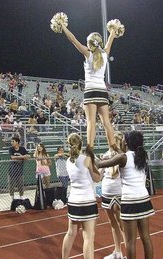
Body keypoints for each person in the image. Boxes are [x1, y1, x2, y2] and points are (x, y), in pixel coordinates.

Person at [61, 22, 120, 158]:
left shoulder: (88, 54)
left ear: (90, 44)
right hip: (102, 90)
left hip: (90, 90)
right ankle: (113, 147)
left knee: (91, 122)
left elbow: (73, 40)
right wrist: (114, 29)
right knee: (106, 121)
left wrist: (63, 26)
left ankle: (90, 149)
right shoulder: (105, 54)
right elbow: (111, 37)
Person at [97, 131, 154, 259]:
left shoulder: (123, 157)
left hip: (130, 201)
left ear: (126, 143)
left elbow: (99, 164)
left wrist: (87, 155)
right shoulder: (141, 155)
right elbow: (124, 154)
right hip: (144, 199)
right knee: (146, 237)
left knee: (130, 242)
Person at [60, 133, 101, 259]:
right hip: (87, 199)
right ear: (81, 143)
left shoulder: (68, 161)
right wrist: (99, 166)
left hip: (73, 200)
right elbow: (96, 178)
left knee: (71, 233)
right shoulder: (86, 159)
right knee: (88, 237)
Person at [99, 131, 126, 259]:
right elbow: (98, 177)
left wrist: (106, 161)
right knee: (112, 223)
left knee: (122, 224)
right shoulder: (106, 155)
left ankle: (129, 254)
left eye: (115, 141)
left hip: (118, 192)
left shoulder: (122, 156)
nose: (112, 144)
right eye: (111, 141)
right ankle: (117, 251)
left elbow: (115, 173)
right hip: (106, 191)